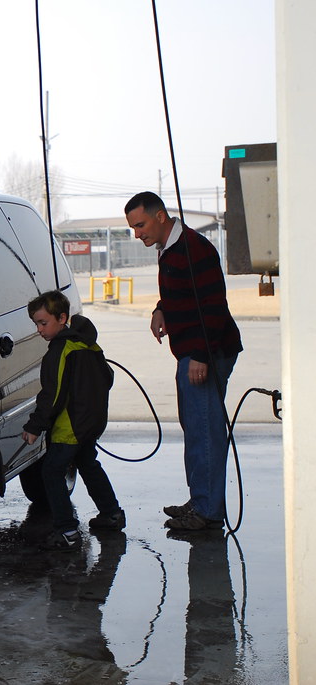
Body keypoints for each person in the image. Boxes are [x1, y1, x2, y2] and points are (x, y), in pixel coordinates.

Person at [124, 191, 242, 531]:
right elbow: (183, 292)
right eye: (133, 227)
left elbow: (213, 304)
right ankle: (202, 499)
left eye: (141, 225)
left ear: (161, 216)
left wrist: (202, 356)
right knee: (195, 427)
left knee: (205, 432)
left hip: (206, 352)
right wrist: (161, 309)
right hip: (193, 350)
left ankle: (207, 513)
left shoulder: (193, 248)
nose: (137, 233)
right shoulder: (170, 249)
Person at [21, 290, 125, 551]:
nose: (39, 329)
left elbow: (52, 395)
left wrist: (35, 426)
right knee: (88, 463)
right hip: (92, 423)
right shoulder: (88, 344)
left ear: (62, 317)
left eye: (43, 323)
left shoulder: (60, 350)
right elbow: (108, 378)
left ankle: (67, 530)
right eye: (36, 323)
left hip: (70, 426)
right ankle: (112, 514)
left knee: (52, 472)